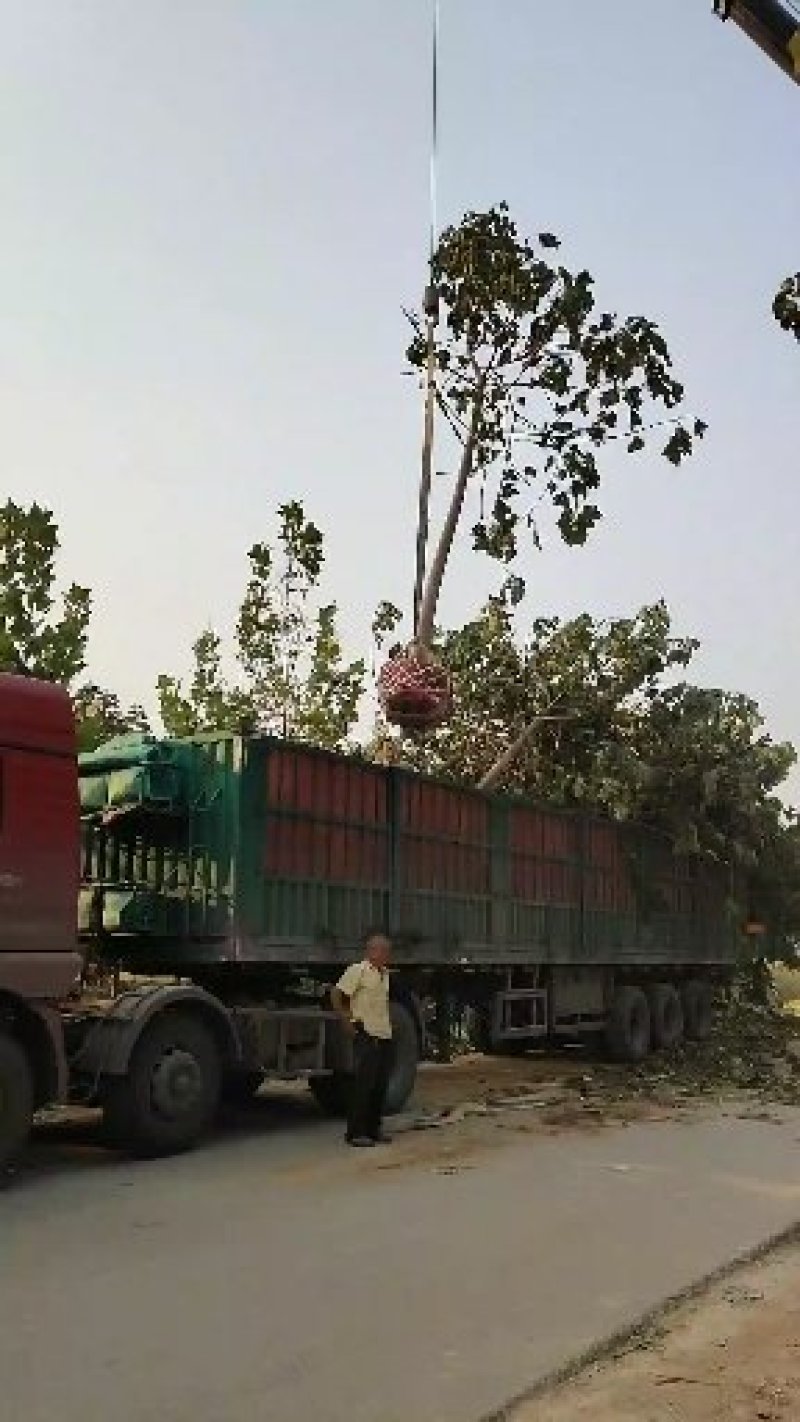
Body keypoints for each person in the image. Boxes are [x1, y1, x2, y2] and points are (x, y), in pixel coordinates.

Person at [331, 931, 394, 1147]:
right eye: (383, 950)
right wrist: (345, 1020)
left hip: (384, 1034)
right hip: (366, 1034)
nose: (387, 954)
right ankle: (355, 1132)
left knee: (380, 1085)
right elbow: (337, 994)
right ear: (371, 951)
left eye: (388, 951)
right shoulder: (357, 970)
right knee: (363, 1086)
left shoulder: (385, 974)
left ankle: (373, 1129)